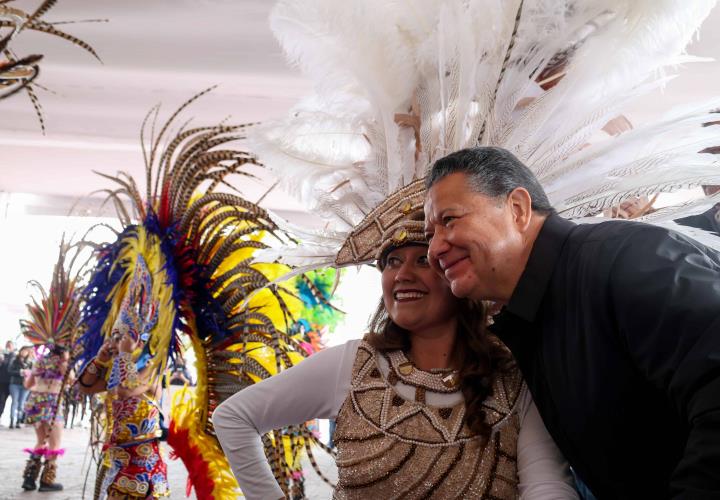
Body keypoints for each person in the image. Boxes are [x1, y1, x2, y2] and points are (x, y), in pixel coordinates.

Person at [213, 194, 579, 499]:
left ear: (458, 273)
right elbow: (233, 418)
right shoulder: (352, 364)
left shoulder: (513, 374)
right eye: (391, 262)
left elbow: (547, 485)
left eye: (422, 259)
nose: (402, 275)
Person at [423, 146, 720, 498]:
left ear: (517, 208)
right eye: (429, 235)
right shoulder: (528, 321)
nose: (435, 249)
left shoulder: (621, 260)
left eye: (449, 220)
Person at [77, 258, 170, 500]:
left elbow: (126, 392)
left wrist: (125, 354)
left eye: (122, 337)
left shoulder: (153, 367)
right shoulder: (118, 369)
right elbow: (85, 388)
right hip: (116, 457)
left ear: (140, 340)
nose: (116, 342)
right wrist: (100, 360)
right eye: (115, 336)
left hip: (143, 464)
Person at [21, 344, 69, 492]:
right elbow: (71, 379)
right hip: (52, 402)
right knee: (55, 443)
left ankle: (29, 479)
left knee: (40, 441)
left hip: (35, 401)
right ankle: (46, 481)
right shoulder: (62, 362)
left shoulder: (40, 360)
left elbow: (28, 384)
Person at [8, 345, 33, 428]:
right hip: (15, 384)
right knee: (14, 401)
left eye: (26, 351)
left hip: (25, 385)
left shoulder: (30, 362)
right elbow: (10, 371)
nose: (24, 352)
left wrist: (28, 373)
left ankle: (18, 420)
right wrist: (20, 372)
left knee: (21, 403)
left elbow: (33, 373)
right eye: (23, 350)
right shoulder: (14, 360)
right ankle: (12, 420)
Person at [0, 340, 15, 425]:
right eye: (7, 345)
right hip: (1, 381)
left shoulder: (14, 356)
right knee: (1, 400)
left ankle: (13, 420)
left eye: (10, 345)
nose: (8, 347)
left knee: (5, 400)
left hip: (10, 382)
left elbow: (10, 368)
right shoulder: (2, 355)